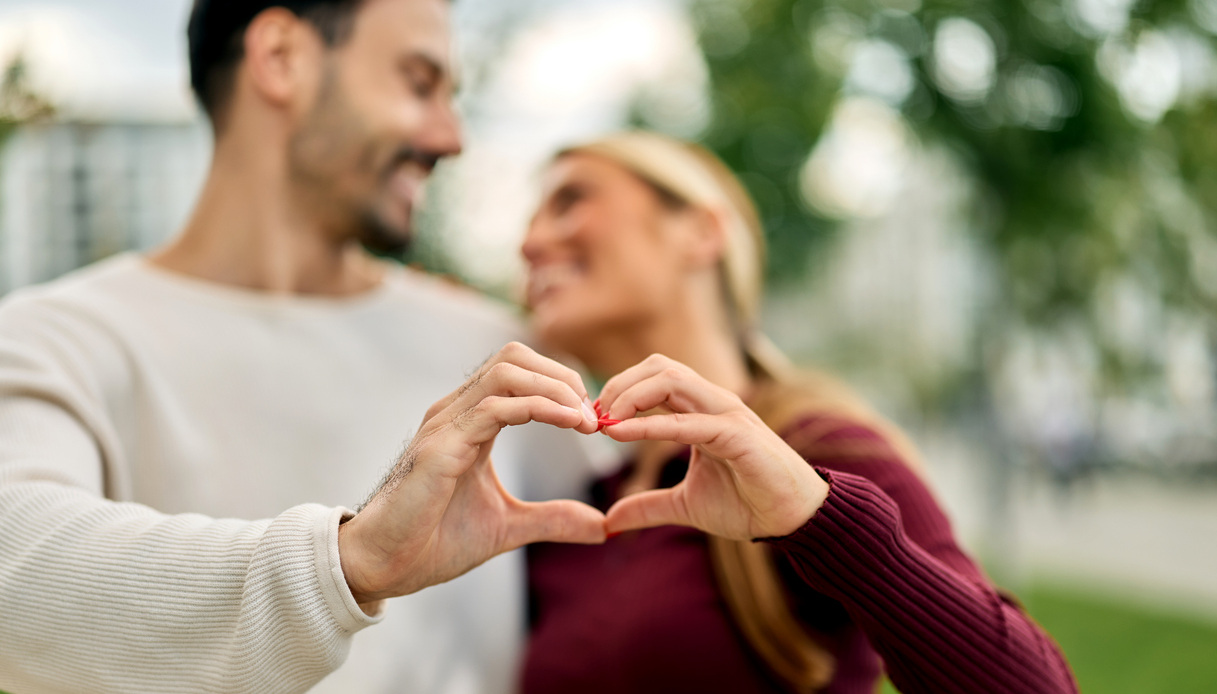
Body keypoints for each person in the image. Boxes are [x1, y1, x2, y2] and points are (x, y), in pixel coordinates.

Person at [0, 1, 611, 692]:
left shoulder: (503, 362)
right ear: (281, 57)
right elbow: (14, 571)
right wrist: (343, 565)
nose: (451, 137)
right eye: (418, 84)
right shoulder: (53, 342)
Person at [517, 131, 1079, 693]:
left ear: (701, 231)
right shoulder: (576, 500)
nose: (529, 243)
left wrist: (818, 517)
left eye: (569, 201)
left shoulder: (820, 450)